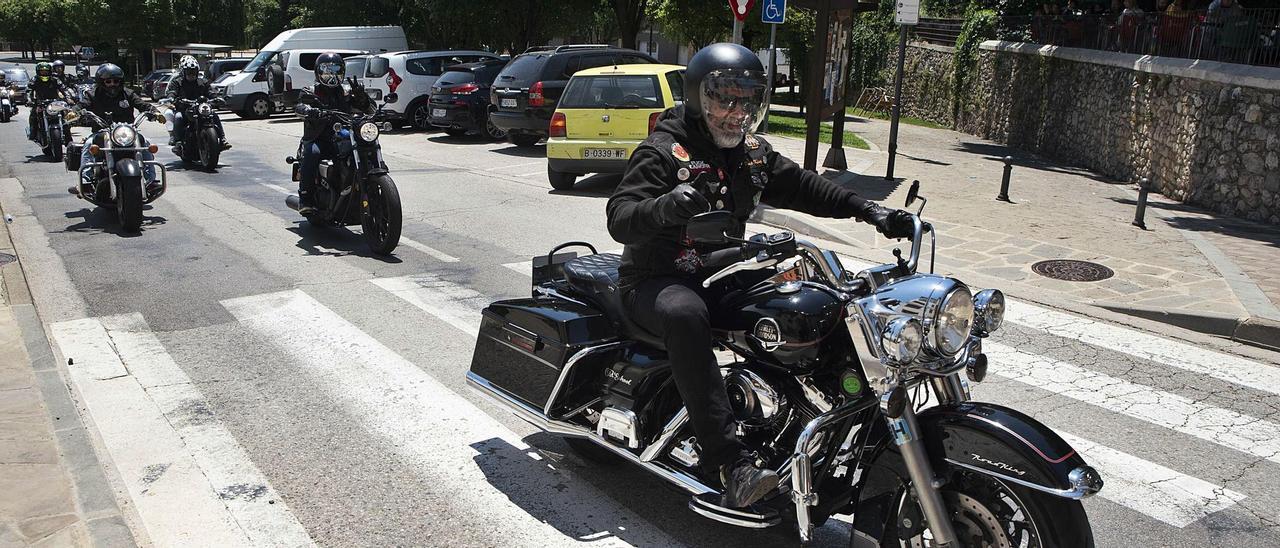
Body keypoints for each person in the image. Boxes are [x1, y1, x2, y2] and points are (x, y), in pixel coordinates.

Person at [606, 43, 915, 510]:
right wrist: (668, 206)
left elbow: (805, 185)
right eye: (724, 100)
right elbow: (620, 216)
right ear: (697, 97)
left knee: (813, 304)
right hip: (656, 279)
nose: (736, 113)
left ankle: (815, 426)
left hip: (725, 272)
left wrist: (869, 210)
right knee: (686, 315)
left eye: (747, 100)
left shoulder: (750, 152)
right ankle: (731, 464)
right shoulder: (665, 150)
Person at [293, 51, 374, 215]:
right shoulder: (310, 90)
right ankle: (305, 198)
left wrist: (361, 98)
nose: (332, 75)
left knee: (366, 146)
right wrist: (310, 111)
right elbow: (299, 106)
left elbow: (370, 109)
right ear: (318, 71)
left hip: (342, 136)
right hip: (318, 137)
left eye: (336, 70)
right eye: (327, 70)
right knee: (312, 153)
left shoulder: (345, 91)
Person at [73, 64, 164, 194]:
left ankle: (150, 181)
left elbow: (142, 104)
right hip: (102, 131)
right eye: (108, 81)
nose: (112, 84)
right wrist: (74, 111)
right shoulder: (93, 94)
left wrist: (154, 112)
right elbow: (82, 105)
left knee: (145, 143)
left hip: (127, 131)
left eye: (116, 81)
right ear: (101, 82)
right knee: (88, 145)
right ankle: (85, 182)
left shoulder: (127, 93)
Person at [166, 55, 229, 150]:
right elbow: (172, 92)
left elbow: (210, 91)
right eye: (188, 71)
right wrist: (171, 98)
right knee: (178, 117)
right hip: (184, 108)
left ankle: (223, 139)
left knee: (214, 115)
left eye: (194, 71)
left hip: (201, 108)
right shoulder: (177, 82)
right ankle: (177, 142)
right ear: (183, 72)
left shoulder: (202, 82)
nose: (191, 74)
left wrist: (217, 98)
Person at [27, 62, 65, 143]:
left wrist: (69, 98)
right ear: (38, 71)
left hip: (54, 103)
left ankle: (68, 137)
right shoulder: (35, 79)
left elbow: (64, 89)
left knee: (64, 116)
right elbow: (29, 90)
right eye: (42, 71)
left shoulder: (55, 79)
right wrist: (29, 100)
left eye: (46, 71)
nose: (44, 73)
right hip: (40, 103)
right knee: (34, 114)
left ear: (50, 71)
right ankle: (32, 132)